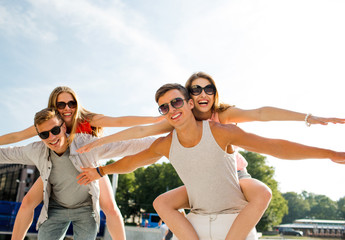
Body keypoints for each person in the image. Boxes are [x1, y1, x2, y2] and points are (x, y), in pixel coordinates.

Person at [76, 72, 345, 239]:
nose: (202, 94)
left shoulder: (223, 121)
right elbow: (138, 143)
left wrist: (315, 129)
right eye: (195, 89)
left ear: (207, 97)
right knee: (162, 202)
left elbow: (266, 125)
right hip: (197, 184)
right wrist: (100, 162)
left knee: (262, 192)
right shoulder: (170, 129)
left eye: (208, 89)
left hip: (233, 176)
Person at [0, 86, 162, 240]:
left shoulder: (86, 118)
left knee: (110, 207)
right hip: (57, 169)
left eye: (71, 103)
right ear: (54, 108)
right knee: (27, 201)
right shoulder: (48, 123)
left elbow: (120, 123)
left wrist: (155, 121)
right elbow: (15, 137)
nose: (67, 108)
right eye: (61, 105)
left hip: (88, 163)